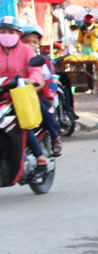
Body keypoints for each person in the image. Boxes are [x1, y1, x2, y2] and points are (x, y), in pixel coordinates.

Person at [0, 17, 50, 168]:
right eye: (3, 31)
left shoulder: (26, 50)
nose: (6, 34)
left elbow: (35, 71)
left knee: (22, 124)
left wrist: (31, 80)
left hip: (20, 95)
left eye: (11, 32)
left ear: (18, 34)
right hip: (1, 96)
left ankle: (39, 155)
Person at [19, 25, 63, 155]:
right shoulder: (16, 57)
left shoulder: (39, 60)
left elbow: (41, 82)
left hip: (32, 95)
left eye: (34, 42)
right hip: (13, 95)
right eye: (26, 41)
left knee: (46, 113)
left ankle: (56, 138)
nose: (30, 45)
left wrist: (30, 87)